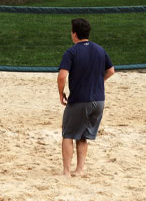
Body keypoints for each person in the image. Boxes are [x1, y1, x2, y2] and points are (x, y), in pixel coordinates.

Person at [57, 18, 115, 177]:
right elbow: (111, 71)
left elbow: (62, 76)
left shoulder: (71, 52)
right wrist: (99, 82)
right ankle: (80, 169)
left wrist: (61, 93)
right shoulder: (100, 50)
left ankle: (67, 172)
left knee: (68, 134)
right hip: (99, 101)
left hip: (79, 100)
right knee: (83, 136)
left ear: (74, 34)